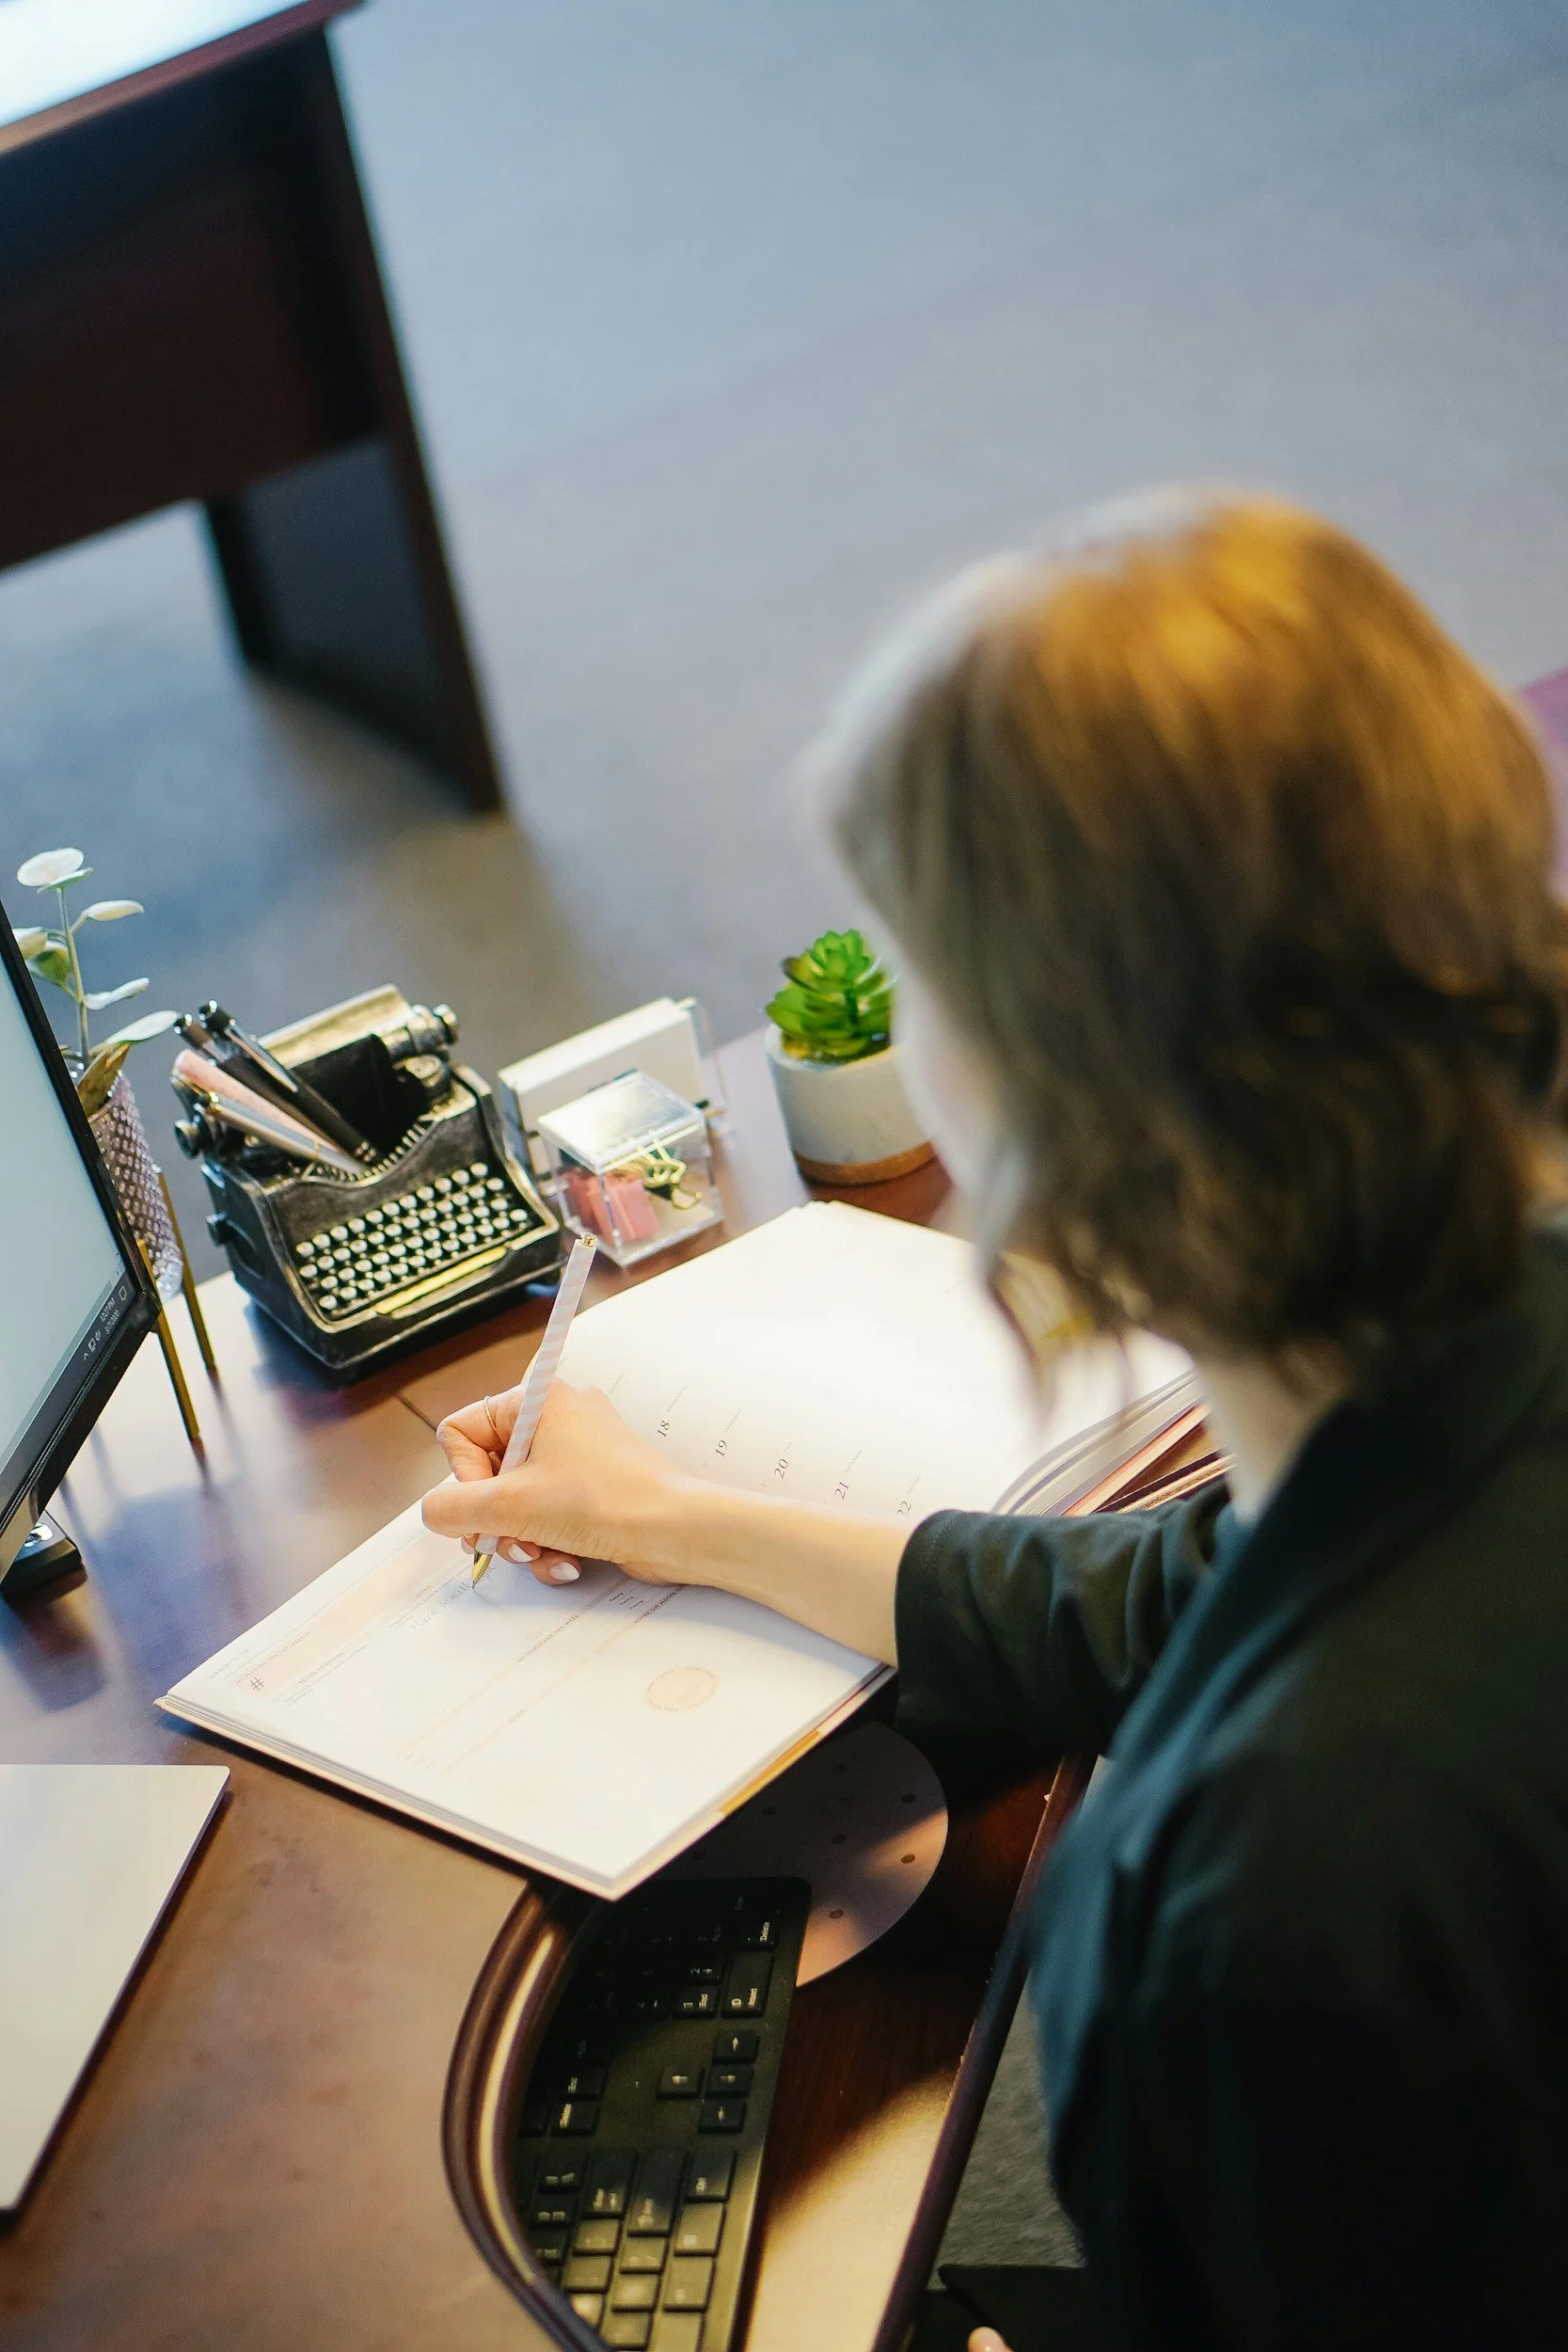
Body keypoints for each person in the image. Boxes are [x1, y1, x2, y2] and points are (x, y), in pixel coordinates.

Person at [422, 494, 1568, 2350]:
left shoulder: (1255, 1888)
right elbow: (1199, 1587)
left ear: (1057, 1092)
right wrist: (675, 1516)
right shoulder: (1473, 1343)